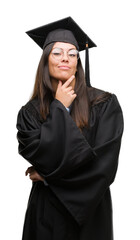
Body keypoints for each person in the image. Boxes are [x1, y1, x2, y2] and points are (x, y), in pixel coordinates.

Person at [16, 17, 124, 240]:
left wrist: (47, 177)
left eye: (72, 53)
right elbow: (38, 152)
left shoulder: (104, 104)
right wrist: (59, 107)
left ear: (78, 62)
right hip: (46, 213)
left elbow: (103, 168)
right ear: (46, 60)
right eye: (57, 53)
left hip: (91, 215)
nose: (65, 58)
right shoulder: (30, 111)